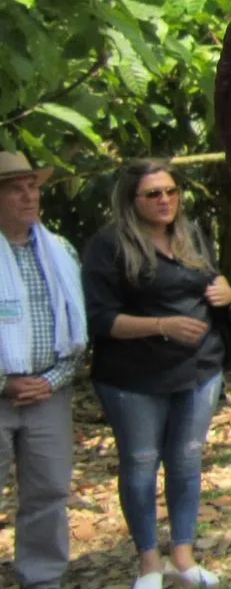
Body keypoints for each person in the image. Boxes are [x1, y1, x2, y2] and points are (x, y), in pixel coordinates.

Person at [82, 159, 231, 589]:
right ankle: (149, 561)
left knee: (186, 460)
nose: (165, 200)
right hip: (133, 376)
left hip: (198, 369)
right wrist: (162, 326)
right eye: (153, 194)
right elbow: (100, 319)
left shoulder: (192, 235)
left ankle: (183, 557)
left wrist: (228, 291)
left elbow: (212, 282)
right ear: (131, 201)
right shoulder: (108, 247)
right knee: (140, 462)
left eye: (171, 191)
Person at [0, 151, 88, 589]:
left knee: (49, 493)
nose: (28, 196)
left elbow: (77, 330)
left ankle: (42, 581)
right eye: (16, 188)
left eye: (33, 186)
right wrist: (5, 382)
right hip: (2, 394)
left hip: (49, 394)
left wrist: (49, 381)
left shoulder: (60, 251)